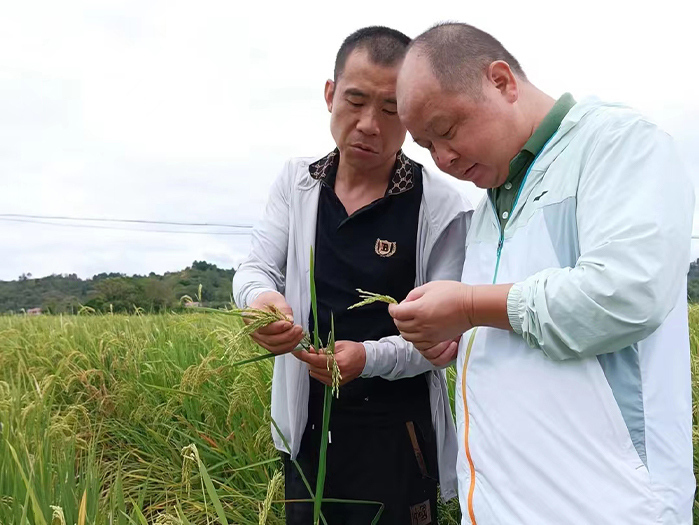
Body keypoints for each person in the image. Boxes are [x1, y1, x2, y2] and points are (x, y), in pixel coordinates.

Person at [389, 22, 695, 525]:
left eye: (446, 131)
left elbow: (625, 295)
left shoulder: (618, 143)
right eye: (425, 147)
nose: (443, 158)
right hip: (499, 506)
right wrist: (456, 338)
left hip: (609, 507)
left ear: (502, 81)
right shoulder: (491, 202)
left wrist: (468, 306)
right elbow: (514, 323)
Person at [233, 26, 472, 524]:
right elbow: (256, 268)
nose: (368, 124)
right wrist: (259, 302)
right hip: (306, 426)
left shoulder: (440, 206)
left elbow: (444, 340)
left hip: (398, 436)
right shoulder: (298, 182)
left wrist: (369, 357)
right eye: (356, 101)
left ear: (410, 115)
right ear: (329, 95)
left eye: (390, 110)